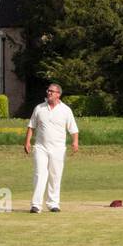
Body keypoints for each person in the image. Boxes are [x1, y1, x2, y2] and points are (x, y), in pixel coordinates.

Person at [24, 82, 79, 213]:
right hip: (40, 147)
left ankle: (53, 203)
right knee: (40, 174)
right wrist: (27, 142)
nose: (49, 93)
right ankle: (36, 205)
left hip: (58, 148)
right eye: (48, 91)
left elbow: (73, 129)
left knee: (55, 175)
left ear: (58, 94)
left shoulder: (66, 110)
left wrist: (75, 142)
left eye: (52, 91)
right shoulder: (39, 108)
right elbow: (31, 126)